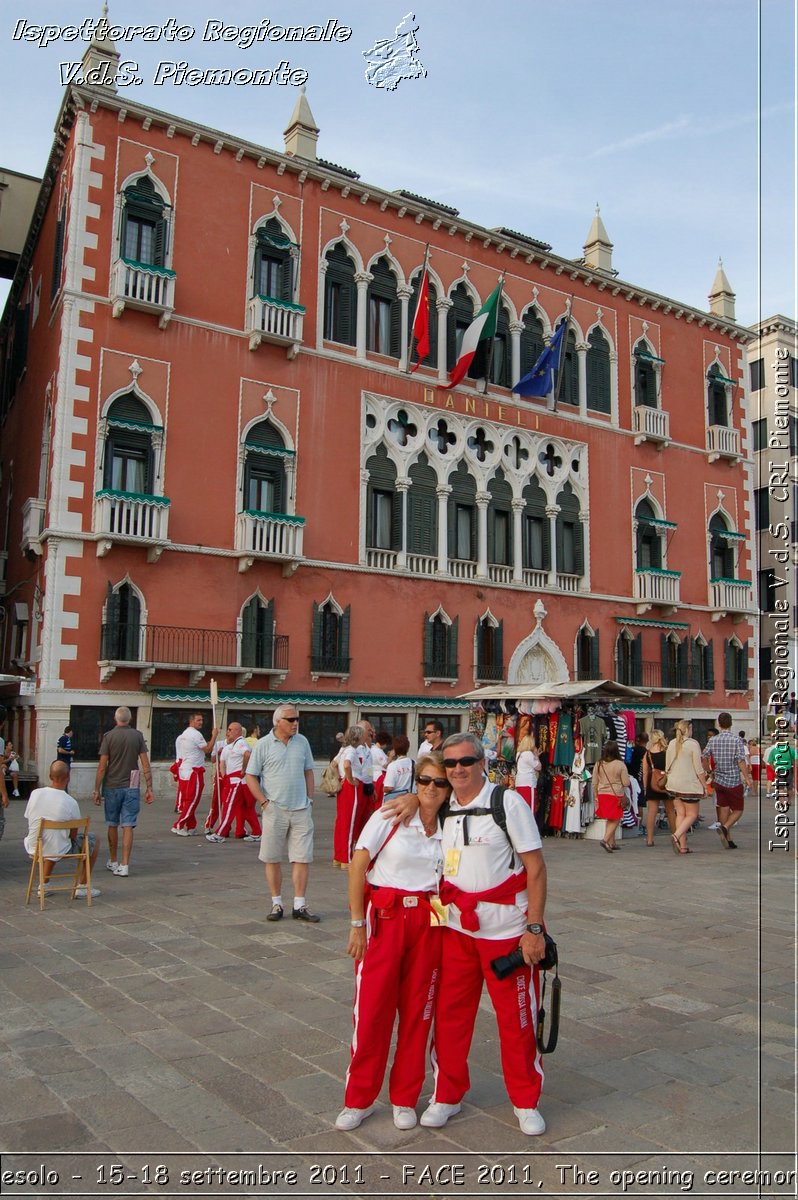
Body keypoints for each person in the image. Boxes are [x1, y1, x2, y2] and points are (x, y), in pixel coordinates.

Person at [388, 732, 549, 1137]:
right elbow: (422, 801)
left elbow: (536, 868)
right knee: (450, 1017)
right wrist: (412, 797)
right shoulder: (444, 806)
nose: (458, 769)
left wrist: (534, 928)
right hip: (456, 929)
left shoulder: (506, 802)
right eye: (451, 764)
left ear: (482, 763)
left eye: (466, 761)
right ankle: (447, 1093)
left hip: (506, 933)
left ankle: (525, 1100)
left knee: (516, 1021)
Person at [335, 751, 450, 1132]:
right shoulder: (391, 814)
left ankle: (404, 1096)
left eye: (439, 783)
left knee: (420, 1011)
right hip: (386, 914)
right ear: (413, 783)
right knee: (372, 1010)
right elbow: (358, 863)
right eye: (423, 782)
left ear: (450, 789)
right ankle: (359, 1098)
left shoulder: (453, 826)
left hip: (432, 919)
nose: (430, 789)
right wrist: (356, 924)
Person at [245, 704, 319, 923]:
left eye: (297, 719)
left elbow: (309, 771)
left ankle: (300, 904)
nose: (295, 723)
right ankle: (277, 902)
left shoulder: (302, 742)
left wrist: (310, 799)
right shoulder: (263, 745)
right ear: (278, 722)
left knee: (302, 858)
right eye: (291, 720)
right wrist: (264, 802)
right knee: (272, 857)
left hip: (301, 809)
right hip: (274, 809)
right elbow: (251, 775)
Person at [25, 761, 101, 898]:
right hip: (57, 847)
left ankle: (44, 885)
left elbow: (29, 819)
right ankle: (82, 886)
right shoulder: (70, 802)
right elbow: (73, 835)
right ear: (68, 777)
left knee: (52, 837)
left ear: (49, 776)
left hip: (35, 845)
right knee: (93, 840)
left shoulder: (35, 794)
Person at [93, 707, 154, 876]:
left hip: (112, 784)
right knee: (128, 825)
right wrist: (149, 788)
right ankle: (125, 864)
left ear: (115, 718)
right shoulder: (138, 736)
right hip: (132, 784)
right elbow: (145, 764)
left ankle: (113, 860)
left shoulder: (108, 737)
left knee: (112, 823)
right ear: (130, 718)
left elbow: (102, 767)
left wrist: (96, 790)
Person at [704, 713, 752, 850]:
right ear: (731, 724)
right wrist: (747, 778)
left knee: (723, 808)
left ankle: (728, 838)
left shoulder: (713, 740)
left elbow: (704, 756)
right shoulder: (736, 740)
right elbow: (741, 761)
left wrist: (709, 771)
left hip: (718, 779)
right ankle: (725, 828)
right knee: (738, 809)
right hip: (733, 780)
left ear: (719, 724)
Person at [207, 722, 259, 842]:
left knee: (230, 808)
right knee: (243, 808)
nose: (228, 732)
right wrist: (224, 776)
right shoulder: (229, 746)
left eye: (230, 730)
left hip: (237, 781)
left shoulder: (240, 742)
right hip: (232, 780)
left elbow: (247, 754)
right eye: (228, 730)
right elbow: (221, 763)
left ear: (238, 731)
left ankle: (220, 833)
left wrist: (243, 770)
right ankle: (255, 831)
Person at [666, 719, 708, 855]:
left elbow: (667, 766)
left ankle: (682, 846)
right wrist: (705, 785)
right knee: (692, 814)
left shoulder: (672, 743)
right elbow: (698, 768)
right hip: (688, 784)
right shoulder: (693, 744)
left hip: (673, 783)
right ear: (688, 729)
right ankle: (676, 836)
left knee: (681, 814)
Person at [172, 712, 218, 835]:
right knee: (192, 800)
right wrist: (214, 736)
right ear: (191, 721)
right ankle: (179, 825)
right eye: (198, 720)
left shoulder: (182, 735)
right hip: (194, 771)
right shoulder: (196, 734)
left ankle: (191, 826)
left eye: (202, 720)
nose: (201, 722)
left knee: (188, 800)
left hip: (184, 770)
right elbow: (207, 749)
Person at [333, 725, 371, 868]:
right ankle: (346, 858)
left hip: (346, 787)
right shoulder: (352, 750)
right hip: (352, 787)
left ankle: (338, 855)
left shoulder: (344, 749)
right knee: (350, 823)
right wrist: (349, 779)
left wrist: (340, 779)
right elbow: (347, 765)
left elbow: (334, 764)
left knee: (342, 822)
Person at [591, 740, 630, 853]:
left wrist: (596, 796)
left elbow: (594, 782)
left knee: (610, 818)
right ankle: (605, 840)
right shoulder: (620, 764)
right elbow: (626, 782)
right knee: (616, 818)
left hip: (602, 794)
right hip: (615, 795)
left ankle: (612, 843)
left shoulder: (599, 764)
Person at [641, 728, 675, 845]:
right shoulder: (668, 751)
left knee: (652, 812)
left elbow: (645, 772)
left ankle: (650, 839)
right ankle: (676, 836)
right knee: (670, 811)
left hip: (653, 783)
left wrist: (645, 787)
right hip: (666, 782)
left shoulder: (648, 753)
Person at [382, 734, 414, 800]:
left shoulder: (393, 766)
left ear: (394, 749)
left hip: (396, 801)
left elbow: (389, 787)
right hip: (410, 799)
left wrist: (382, 789)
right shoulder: (414, 763)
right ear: (408, 748)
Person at [514, 734, 541, 809]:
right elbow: (538, 767)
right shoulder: (528, 754)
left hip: (519, 783)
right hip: (528, 783)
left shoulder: (519, 754)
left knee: (521, 808)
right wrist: (537, 757)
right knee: (530, 808)